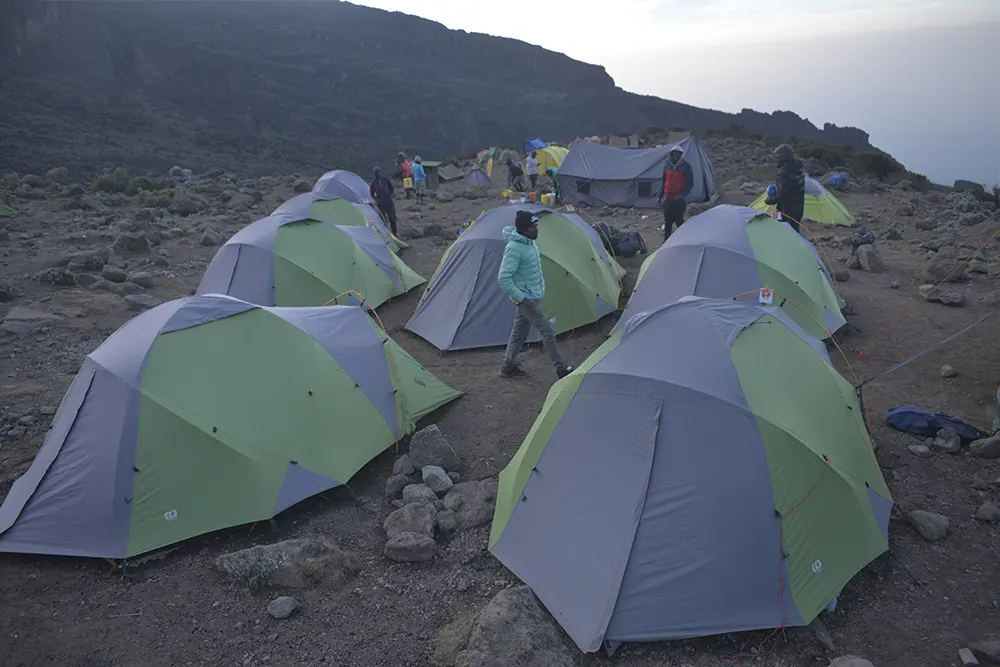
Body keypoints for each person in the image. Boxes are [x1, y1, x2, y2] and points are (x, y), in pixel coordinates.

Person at [497, 210, 574, 380]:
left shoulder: (529, 242)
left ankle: (507, 366)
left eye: (536, 226)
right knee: (547, 332)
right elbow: (503, 278)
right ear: (524, 229)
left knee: (519, 333)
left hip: (531, 296)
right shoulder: (514, 248)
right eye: (533, 227)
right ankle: (561, 368)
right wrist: (523, 298)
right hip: (526, 300)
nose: (537, 230)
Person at [765, 144, 806, 234]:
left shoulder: (784, 171)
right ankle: (800, 247)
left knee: (783, 231)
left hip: (786, 209)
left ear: (782, 157)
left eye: (777, 157)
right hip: (798, 207)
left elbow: (783, 195)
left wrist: (769, 200)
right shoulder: (799, 168)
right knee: (794, 231)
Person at [657, 145, 695, 240]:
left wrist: (682, 195)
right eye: (673, 154)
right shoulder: (667, 166)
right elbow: (664, 182)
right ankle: (666, 242)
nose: (675, 156)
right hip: (668, 198)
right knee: (668, 222)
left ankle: (685, 239)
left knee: (679, 221)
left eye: (677, 154)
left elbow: (690, 184)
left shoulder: (686, 167)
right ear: (671, 154)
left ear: (680, 155)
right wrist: (660, 196)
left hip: (678, 199)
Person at [369, 166, 397, 236]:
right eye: (377, 173)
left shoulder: (386, 179)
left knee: (392, 219)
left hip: (389, 202)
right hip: (380, 203)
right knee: (383, 220)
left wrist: (391, 196)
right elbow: (372, 194)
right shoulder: (373, 182)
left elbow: (391, 188)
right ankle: (387, 235)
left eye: (379, 173)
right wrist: (376, 200)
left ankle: (395, 233)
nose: (378, 174)